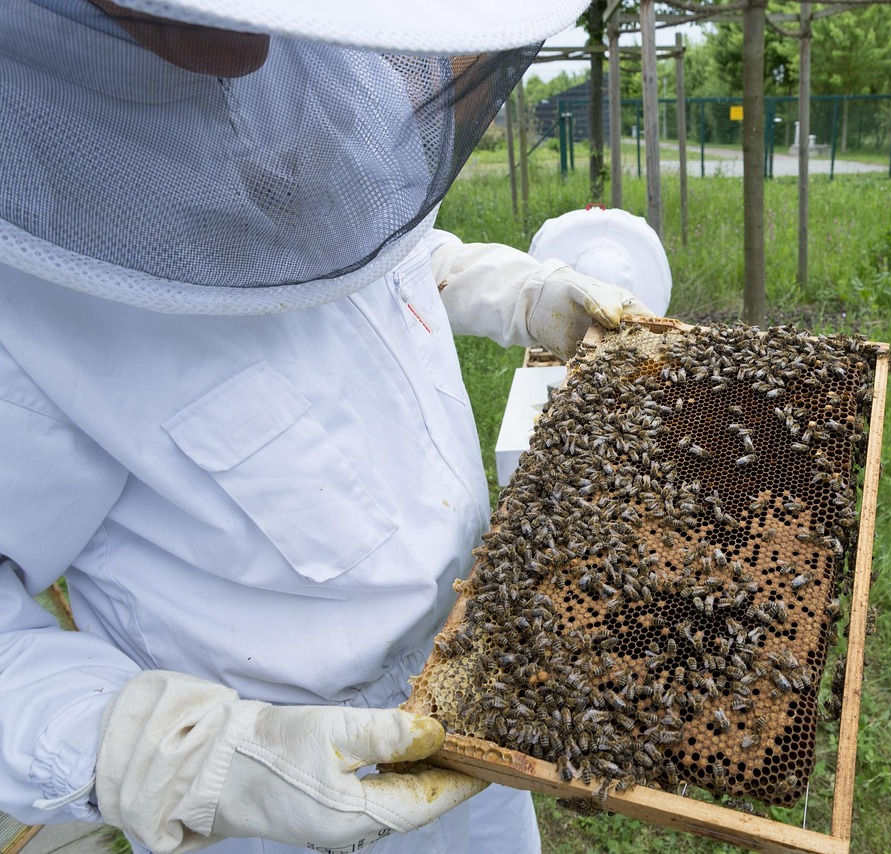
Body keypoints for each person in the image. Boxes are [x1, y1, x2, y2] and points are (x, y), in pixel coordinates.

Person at [0, 1, 651, 853]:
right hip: (286, 789)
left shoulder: (311, 76)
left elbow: (366, 251)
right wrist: (170, 755)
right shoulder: (28, 272)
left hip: (487, 682)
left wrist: (510, 288)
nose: (253, 31)